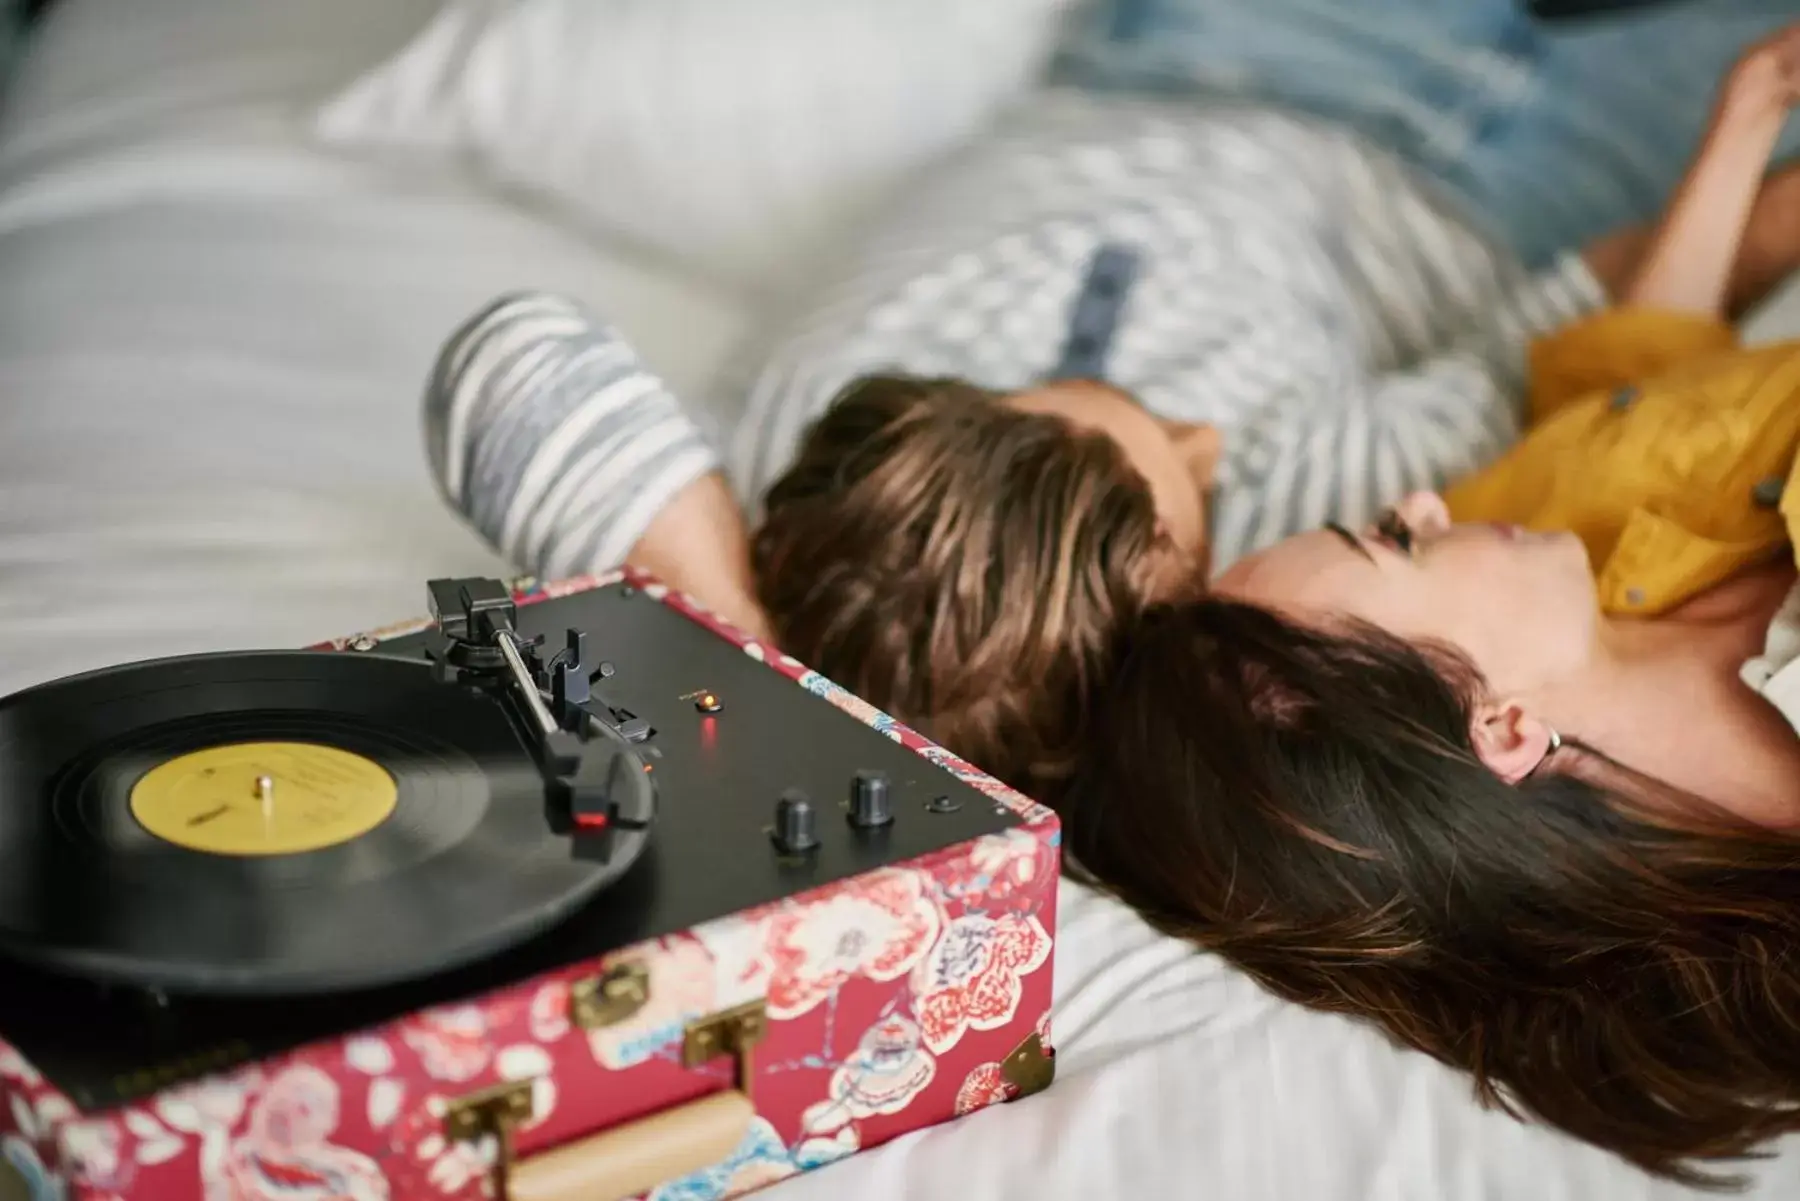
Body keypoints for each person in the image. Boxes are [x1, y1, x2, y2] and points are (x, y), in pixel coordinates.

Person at [425, 17, 1799, 802]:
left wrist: (756, 645)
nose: (1210, 440)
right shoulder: (1316, 569)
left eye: (1141, 411)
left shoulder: (823, 433)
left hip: (1220, 52)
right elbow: (1568, 335)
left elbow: (514, 358)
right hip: (1508, 198)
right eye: (1189, 482)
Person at [1064, 26, 1800, 1182]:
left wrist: (1745, 123)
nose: (1420, 499)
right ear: (1502, 727)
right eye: (1399, 542)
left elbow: (1622, 386)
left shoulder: (1554, 570)